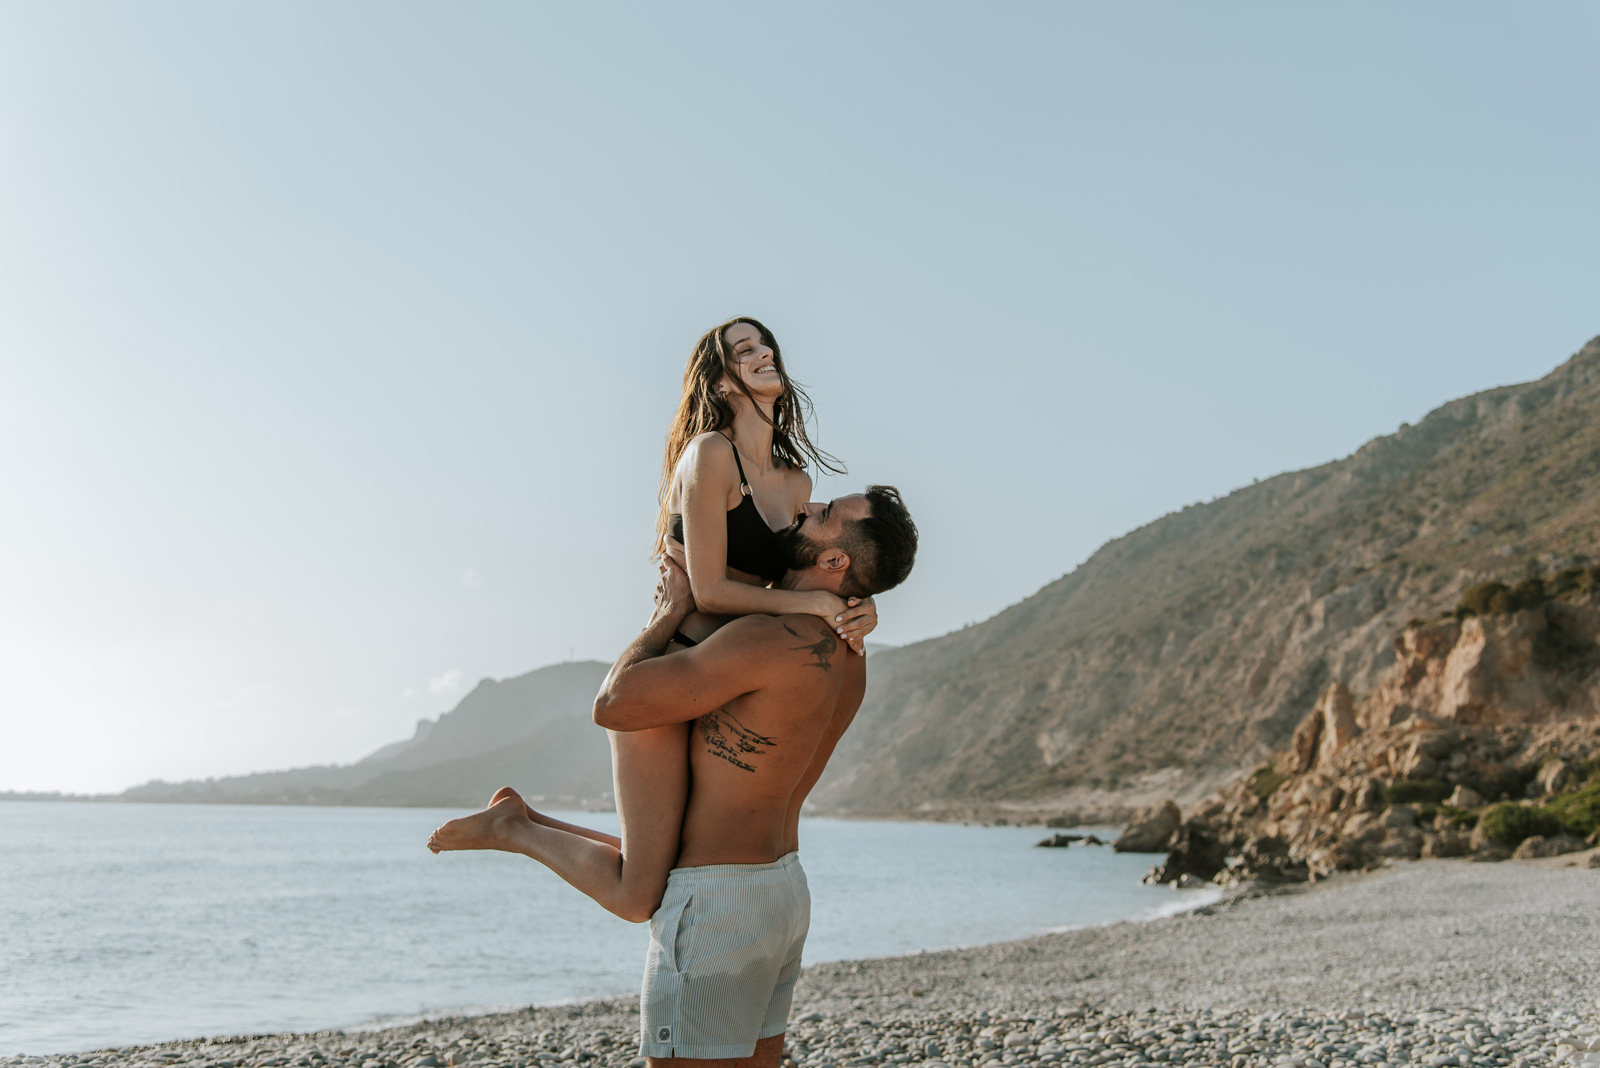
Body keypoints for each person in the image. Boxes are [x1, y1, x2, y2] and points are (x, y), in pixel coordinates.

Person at [447, 484, 919, 1068]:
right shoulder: (852, 655)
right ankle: (522, 825)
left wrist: (664, 616)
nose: (808, 508)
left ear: (834, 561)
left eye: (825, 516)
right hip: (783, 892)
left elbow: (615, 705)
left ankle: (515, 830)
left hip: (718, 906)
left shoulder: (768, 640)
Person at [427, 318, 879, 922]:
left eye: (765, 343)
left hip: (728, 680)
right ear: (720, 383)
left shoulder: (797, 479)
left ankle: (520, 818)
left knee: (680, 864)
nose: (764, 352)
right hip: (671, 663)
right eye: (743, 350)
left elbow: (800, 575)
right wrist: (814, 605)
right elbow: (714, 590)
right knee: (637, 897)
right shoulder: (710, 454)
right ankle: (517, 831)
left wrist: (855, 604)